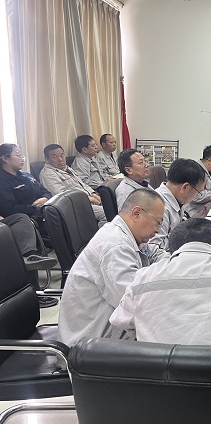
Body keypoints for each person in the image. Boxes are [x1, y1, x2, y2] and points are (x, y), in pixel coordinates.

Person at [58, 188, 168, 347]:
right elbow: (134, 305)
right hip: (91, 345)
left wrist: (174, 265)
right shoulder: (116, 246)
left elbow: (154, 253)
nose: (158, 230)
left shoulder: (128, 235)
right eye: (158, 222)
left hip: (109, 334)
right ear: (136, 213)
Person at [0, 143, 58, 307]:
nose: (22, 158)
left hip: (37, 215)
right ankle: (30, 257)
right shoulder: (2, 180)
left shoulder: (26, 176)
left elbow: (45, 191)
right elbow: (9, 209)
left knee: (61, 215)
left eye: (22, 154)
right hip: (20, 219)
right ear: (5, 159)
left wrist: (45, 199)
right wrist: (35, 208)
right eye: (17, 154)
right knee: (23, 222)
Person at [40, 144, 107, 228]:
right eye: (54, 157)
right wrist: (88, 199)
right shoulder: (48, 174)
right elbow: (61, 195)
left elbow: (82, 184)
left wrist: (92, 193)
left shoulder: (66, 168)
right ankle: (100, 236)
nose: (60, 159)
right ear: (46, 159)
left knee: (112, 205)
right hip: (73, 206)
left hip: (85, 201)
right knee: (105, 214)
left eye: (62, 155)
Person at [149, 158, 206, 257]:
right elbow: (154, 249)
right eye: (198, 192)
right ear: (185, 187)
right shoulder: (159, 206)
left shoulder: (176, 199)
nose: (197, 196)